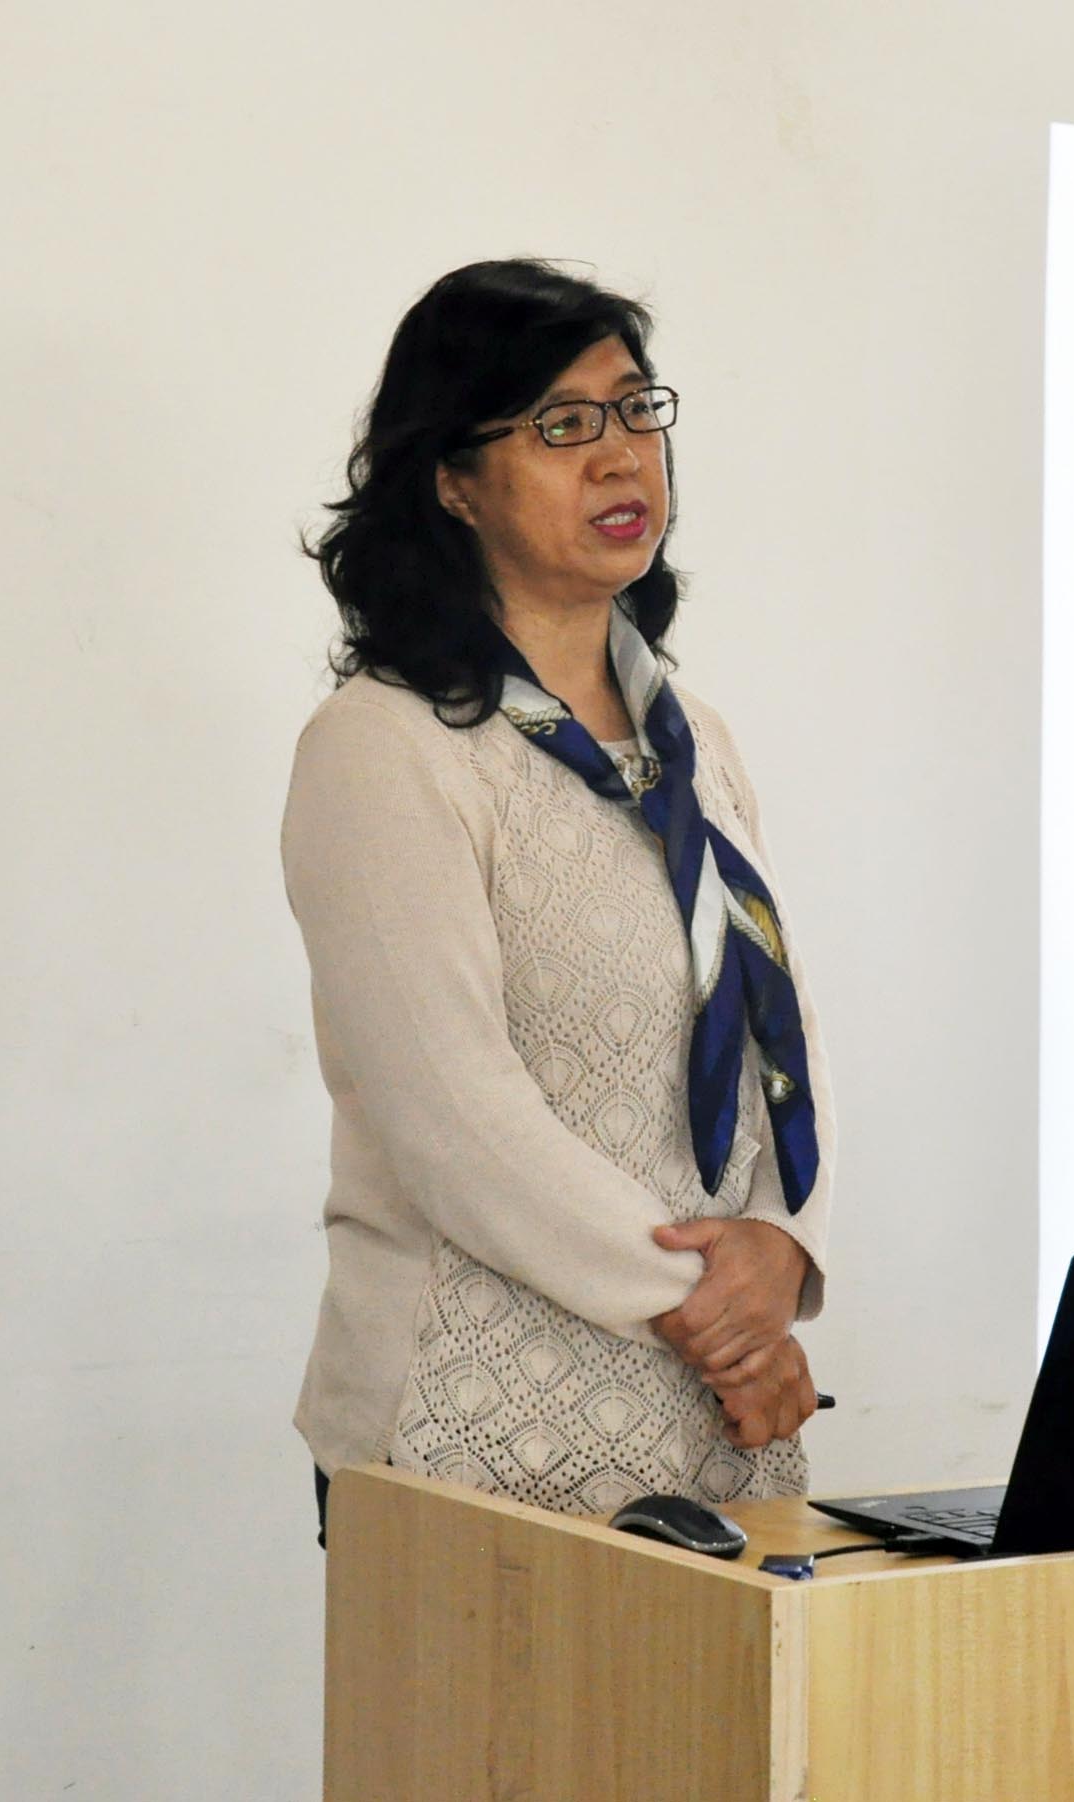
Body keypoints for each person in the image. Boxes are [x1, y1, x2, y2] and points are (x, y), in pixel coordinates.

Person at [286, 261, 832, 1544]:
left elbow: (774, 1038)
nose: (619, 455)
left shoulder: (693, 737)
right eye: (560, 424)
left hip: (714, 1424)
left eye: (636, 409)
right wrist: (725, 1316)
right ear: (452, 480)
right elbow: (454, 1117)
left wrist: (782, 1250)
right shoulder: (385, 746)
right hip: (468, 1428)